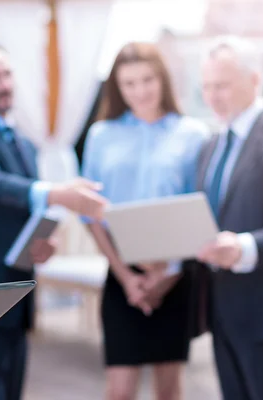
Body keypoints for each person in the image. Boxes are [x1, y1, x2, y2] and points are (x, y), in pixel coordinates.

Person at [0, 44, 107, 400]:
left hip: (16, 290)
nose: (4, 84)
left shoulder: (25, 143)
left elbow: (19, 206)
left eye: (7, 74)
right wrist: (56, 193)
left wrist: (41, 241)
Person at [80, 42, 209, 400]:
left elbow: (201, 211)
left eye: (147, 80)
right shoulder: (101, 135)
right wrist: (125, 276)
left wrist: (167, 275)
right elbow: (90, 213)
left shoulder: (193, 134)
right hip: (122, 275)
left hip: (176, 276)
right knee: (119, 390)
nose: (140, 91)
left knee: (169, 389)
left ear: (163, 80)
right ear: (118, 88)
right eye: (129, 83)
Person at [196, 36, 263, 400]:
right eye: (207, 87)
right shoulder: (212, 144)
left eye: (223, 85)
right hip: (222, 312)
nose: (214, 96)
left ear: (254, 80)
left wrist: (246, 248)